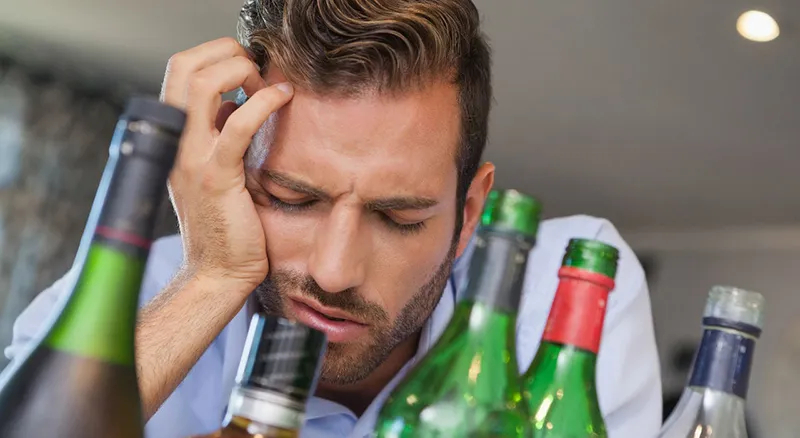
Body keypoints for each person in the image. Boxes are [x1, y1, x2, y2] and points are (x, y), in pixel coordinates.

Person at [4, 0, 662, 437]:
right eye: (293, 200)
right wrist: (211, 281)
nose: (335, 271)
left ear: (469, 216)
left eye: (398, 217)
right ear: (232, 165)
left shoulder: (563, 289)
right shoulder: (131, 307)